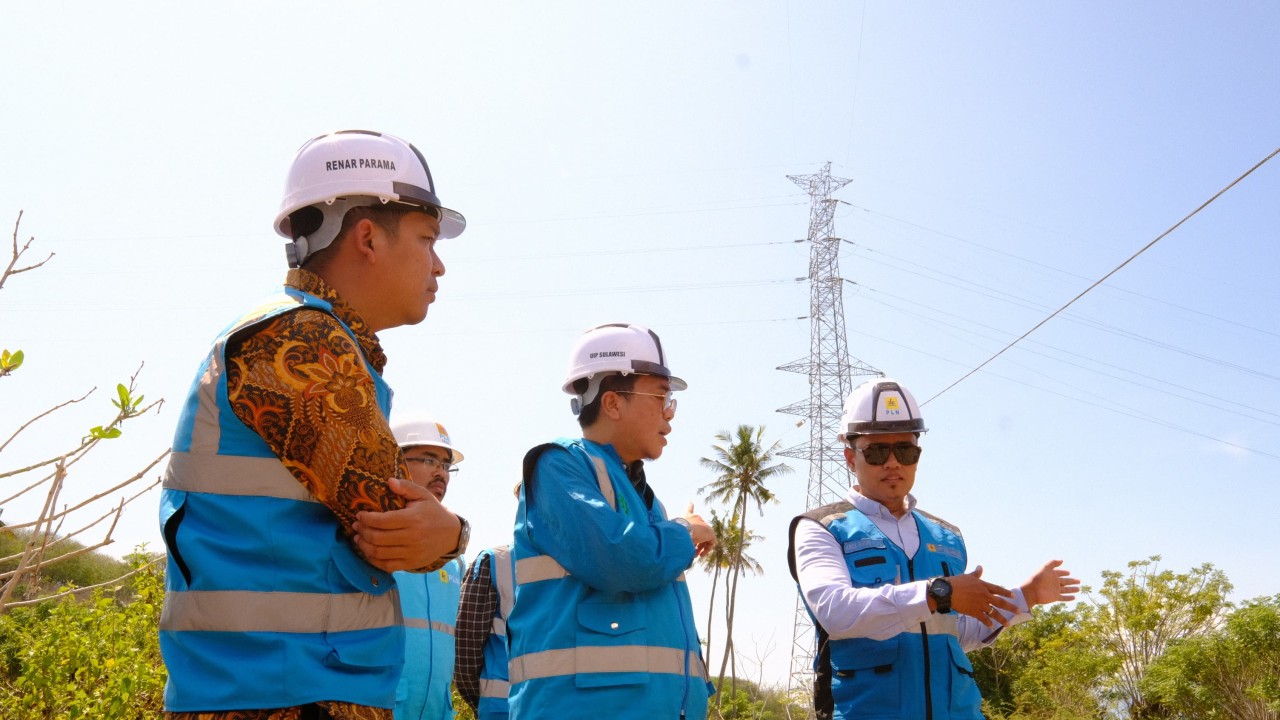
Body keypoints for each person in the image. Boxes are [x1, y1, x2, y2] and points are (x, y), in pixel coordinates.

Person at [158, 129, 471, 720]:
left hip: (289, 686)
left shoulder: (329, 341)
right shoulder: (298, 339)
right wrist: (451, 535)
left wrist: (443, 532)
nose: (440, 265)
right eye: (427, 239)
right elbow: (394, 517)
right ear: (367, 237)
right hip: (283, 693)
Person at [786, 378, 1081, 720]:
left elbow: (956, 631)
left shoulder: (947, 537)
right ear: (851, 457)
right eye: (878, 451)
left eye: (906, 451)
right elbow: (836, 613)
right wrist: (937, 593)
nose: (893, 463)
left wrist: (1026, 596)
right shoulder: (821, 528)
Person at [506, 323, 718, 720]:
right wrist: (686, 531)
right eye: (661, 396)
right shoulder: (559, 466)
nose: (669, 415)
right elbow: (625, 558)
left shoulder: (640, 495)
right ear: (613, 403)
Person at [391, 415, 468, 720]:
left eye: (446, 465)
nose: (441, 473)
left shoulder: (454, 557)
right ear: (395, 462)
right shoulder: (375, 537)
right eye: (429, 459)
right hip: (383, 707)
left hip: (437, 711)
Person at [454, 541, 514, 720]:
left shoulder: (494, 561)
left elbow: (465, 658)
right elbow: (466, 652)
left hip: (499, 706)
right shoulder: (591, 562)